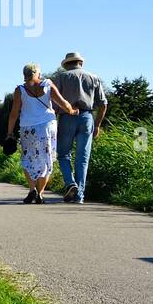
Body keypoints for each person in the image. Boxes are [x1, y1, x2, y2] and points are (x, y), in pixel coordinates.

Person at [5, 62, 78, 204]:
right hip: (47, 127)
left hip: (28, 128)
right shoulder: (47, 84)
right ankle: (40, 194)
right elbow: (64, 103)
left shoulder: (20, 90)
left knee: (28, 158)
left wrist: (9, 133)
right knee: (46, 159)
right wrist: (72, 111)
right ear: (38, 73)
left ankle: (32, 189)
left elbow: (14, 114)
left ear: (24, 75)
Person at [51, 51, 108, 204]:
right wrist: (97, 125)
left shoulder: (61, 77)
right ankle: (79, 196)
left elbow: (54, 103)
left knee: (63, 155)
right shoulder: (93, 77)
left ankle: (70, 183)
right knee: (82, 158)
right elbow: (103, 104)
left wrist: (54, 121)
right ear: (80, 63)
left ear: (66, 64)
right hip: (86, 117)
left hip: (67, 117)